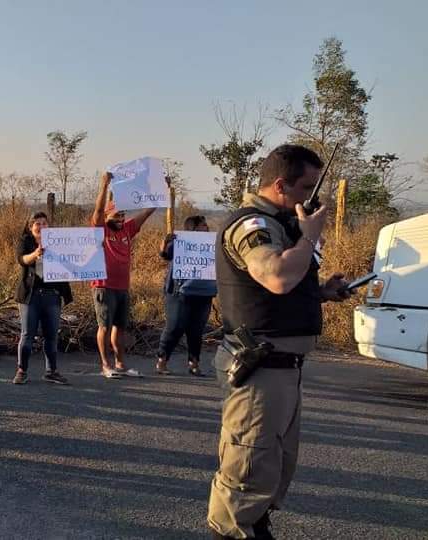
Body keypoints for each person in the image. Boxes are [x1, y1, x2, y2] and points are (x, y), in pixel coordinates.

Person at [207, 144, 352, 540]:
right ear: (279, 185)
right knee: (247, 470)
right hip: (261, 370)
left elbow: (280, 292)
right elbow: (275, 277)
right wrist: (308, 238)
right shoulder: (251, 226)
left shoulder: (280, 224)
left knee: (272, 465)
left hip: (283, 370)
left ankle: (254, 524)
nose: (312, 198)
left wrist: (321, 292)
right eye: (306, 188)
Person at [90, 170, 157, 379]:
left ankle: (120, 364)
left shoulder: (127, 229)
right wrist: (104, 185)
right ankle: (105, 365)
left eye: (122, 215)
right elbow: (99, 209)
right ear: (107, 216)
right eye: (116, 216)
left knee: (120, 327)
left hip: (122, 287)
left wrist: (159, 190)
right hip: (104, 285)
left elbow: (147, 213)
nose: (120, 219)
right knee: (104, 326)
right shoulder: (101, 229)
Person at [12, 212, 73, 385]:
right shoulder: (26, 242)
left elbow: (75, 258)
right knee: (27, 334)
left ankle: (51, 371)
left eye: (44, 223)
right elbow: (22, 259)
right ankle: (22, 370)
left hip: (52, 295)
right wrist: (36, 253)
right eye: (36, 223)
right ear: (30, 227)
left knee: (52, 335)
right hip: (31, 296)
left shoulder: (59, 242)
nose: (40, 226)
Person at [155, 215, 217, 376]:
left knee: (196, 331)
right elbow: (165, 255)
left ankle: (194, 364)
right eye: (203, 225)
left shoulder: (212, 244)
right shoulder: (181, 243)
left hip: (204, 293)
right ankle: (162, 360)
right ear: (193, 229)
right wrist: (165, 243)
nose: (207, 227)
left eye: (206, 225)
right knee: (175, 327)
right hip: (179, 293)